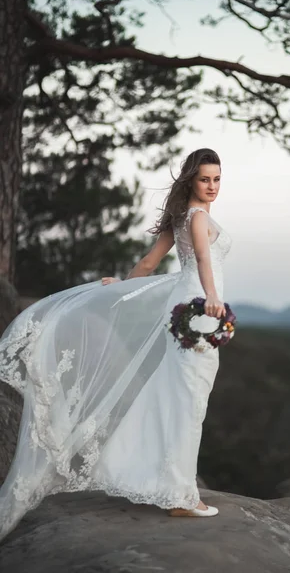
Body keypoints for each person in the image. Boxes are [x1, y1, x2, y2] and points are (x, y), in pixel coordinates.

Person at [0, 147, 232, 539]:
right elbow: (205, 262)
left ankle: (158, 480)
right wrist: (214, 300)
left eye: (217, 179)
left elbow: (147, 264)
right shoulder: (196, 217)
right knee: (188, 397)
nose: (212, 187)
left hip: (189, 308)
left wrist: (122, 287)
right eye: (205, 179)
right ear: (191, 180)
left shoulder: (181, 217)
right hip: (196, 311)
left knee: (177, 394)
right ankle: (181, 495)